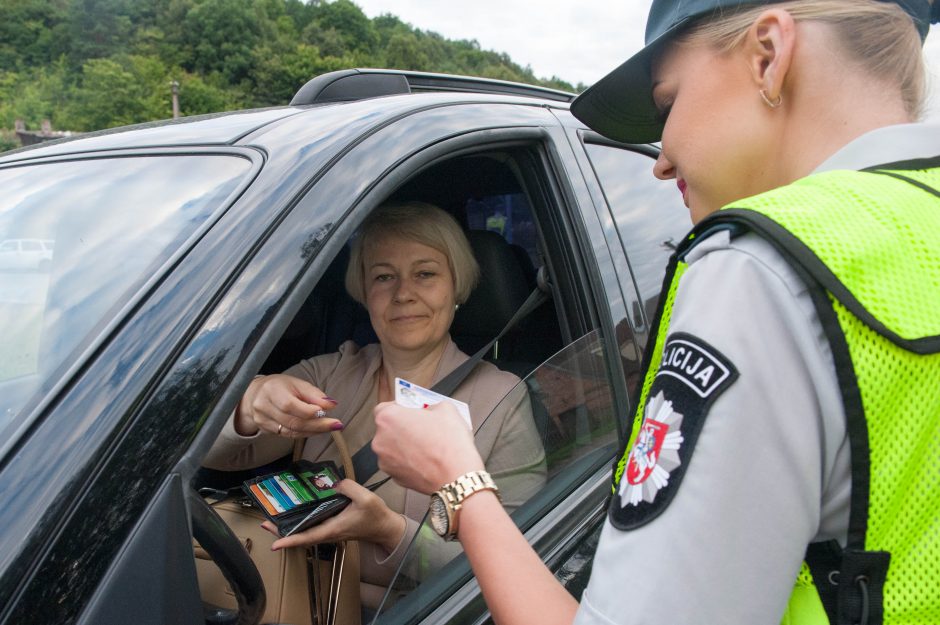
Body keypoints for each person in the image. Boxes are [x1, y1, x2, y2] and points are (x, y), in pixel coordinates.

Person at [372, 1, 940, 624]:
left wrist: (457, 479)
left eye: (667, 105)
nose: (661, 157)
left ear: (769, 54)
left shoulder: (762, 268)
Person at [203, 201, 546, 610]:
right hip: (294, 601)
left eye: (425, 274)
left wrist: (391, 531)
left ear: (457, 286)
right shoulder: (327, 375)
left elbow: (514, 567)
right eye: (384, 276)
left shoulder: (501, 399)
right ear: (364, 293)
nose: (403, 293)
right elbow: (214, 456)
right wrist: (250, 402)